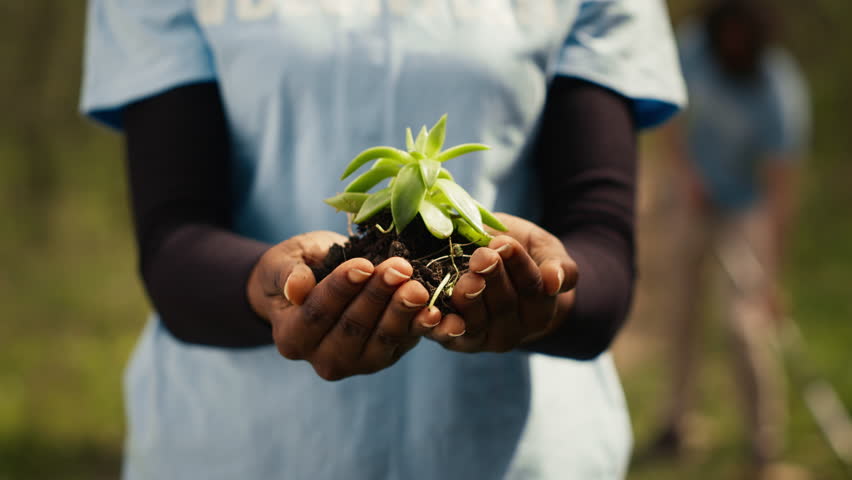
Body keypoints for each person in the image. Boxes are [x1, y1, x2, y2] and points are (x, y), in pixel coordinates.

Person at [81, 1, 685, 478]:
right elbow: (173, 238)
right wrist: (267, 287)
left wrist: (544, 296)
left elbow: (601, 246)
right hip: (238, 447)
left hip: (518, 455)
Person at [651, 0, 810, 475]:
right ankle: (675, 424)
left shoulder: (780, 91)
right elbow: (668, 109)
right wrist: (685, 172)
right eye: (728, 33)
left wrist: (771, 276)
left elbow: (782, 187)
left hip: (745, 208)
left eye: (744, 36)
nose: (733, 43)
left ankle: (766, 449)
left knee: (745, 326)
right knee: (681, 312)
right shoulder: (696, 47)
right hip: (693, 197)